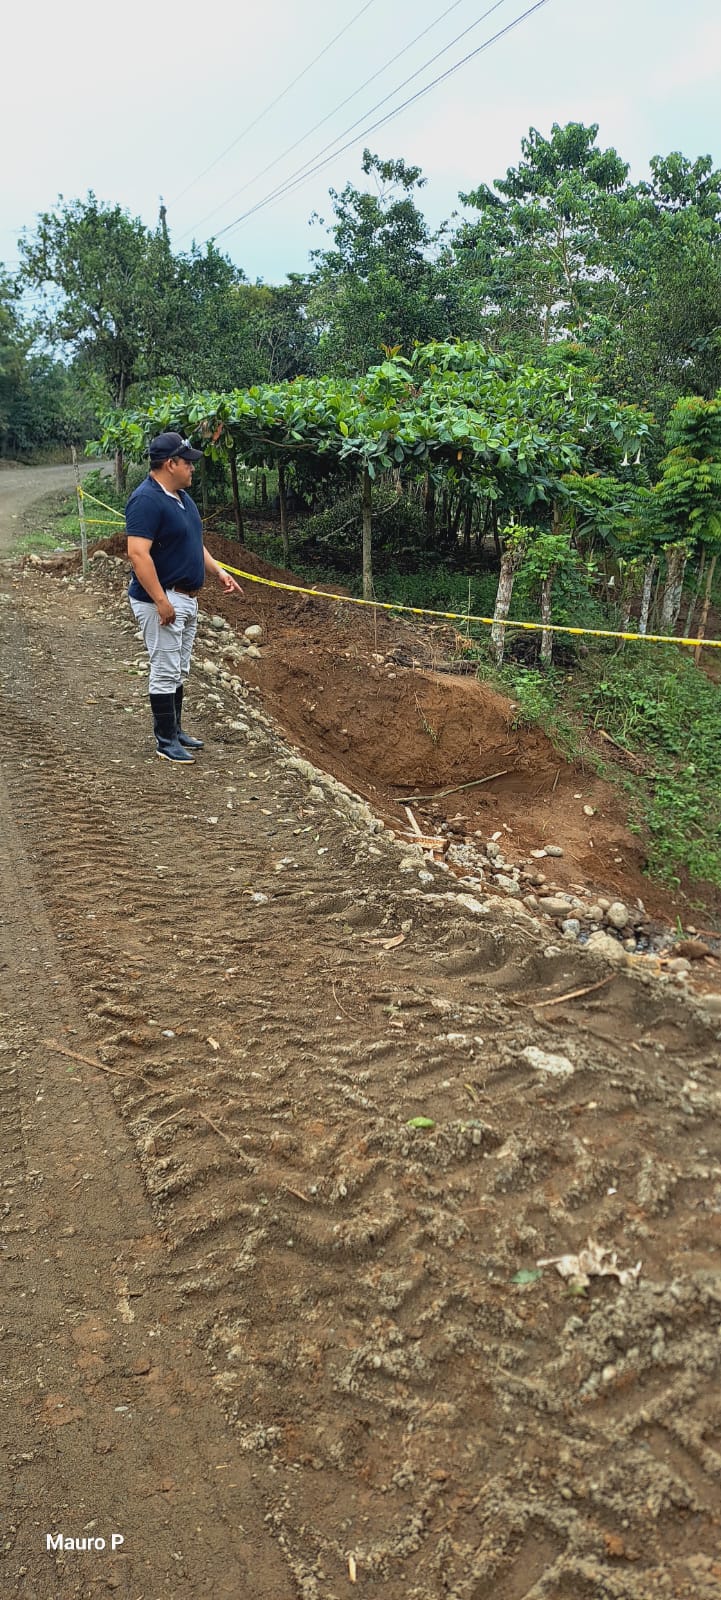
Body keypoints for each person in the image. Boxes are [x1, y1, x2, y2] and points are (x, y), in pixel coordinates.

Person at [126, 432, 243, 763]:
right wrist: (161, 601)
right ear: (170, 464)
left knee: (178, 668)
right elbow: (137, 554)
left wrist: (218, 571)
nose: (192, 468)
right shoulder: (146, 500)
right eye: (187, 462)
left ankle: (175, 730)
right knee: (165, 668)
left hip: (186, 597)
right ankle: (165, 741)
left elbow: (193, 541)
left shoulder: (181, 498)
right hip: (163, 598)